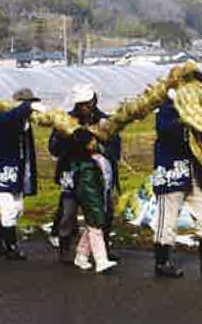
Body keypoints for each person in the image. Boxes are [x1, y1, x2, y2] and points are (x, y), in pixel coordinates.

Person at [152, 73, 202, 281]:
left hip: (197, 172)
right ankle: (162, 262)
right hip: (173, 170)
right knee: (167, 218)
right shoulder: (168, 107)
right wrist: (189, 118)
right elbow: (165, 130)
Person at [48, 84, 121, 264]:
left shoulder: (105, 121)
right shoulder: (65, 122)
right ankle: (65, 248)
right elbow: (54, 148)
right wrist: (72, 140)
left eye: (89, 103)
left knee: (103, 212)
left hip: (101, 175)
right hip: (73, 174)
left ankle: (102, 247)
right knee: (68, 212)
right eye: (82, 104)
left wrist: (99, 147)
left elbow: (115, 150)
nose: (86, 107)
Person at [0, 88, 46, 260]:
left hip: (14, 172)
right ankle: (10, 247)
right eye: (27, 102)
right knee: (8, 210)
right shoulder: (3, 118)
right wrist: (28, 107)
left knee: (18, 209)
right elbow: (12, 116)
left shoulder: (23, 122)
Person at [66, 129, 117, 273]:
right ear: (86, 145)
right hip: (93, 203)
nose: (96, 141)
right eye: (92, 140)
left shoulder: (91, 160)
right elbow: (89, 192)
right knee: (96, 229)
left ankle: (81, 256)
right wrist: (97, 209)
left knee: (91, 229)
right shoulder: (87, 168)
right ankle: (101, 260)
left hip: (99, 199)